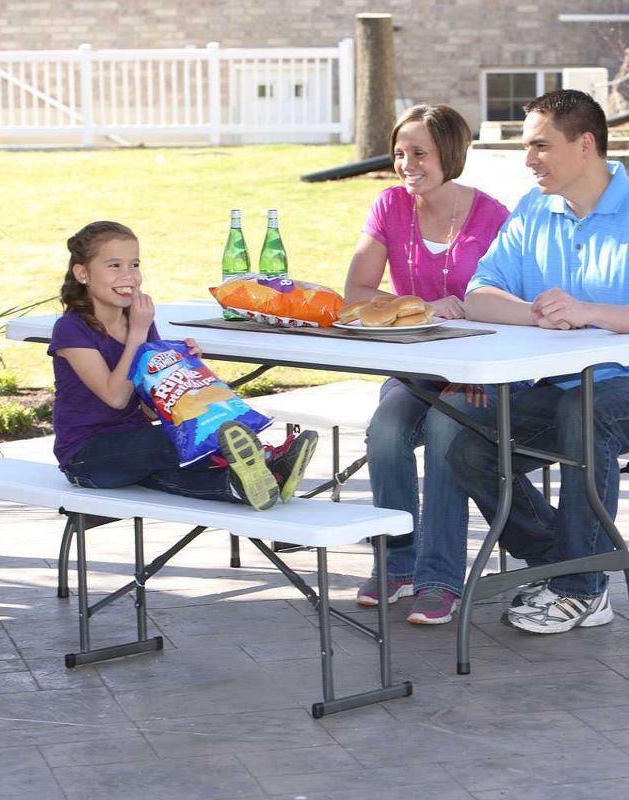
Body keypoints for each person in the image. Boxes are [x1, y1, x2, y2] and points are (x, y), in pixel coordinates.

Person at [447, 88, 629, 634]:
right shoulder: (533, 210)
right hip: (562, 386)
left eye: (541, 146)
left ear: (586, 144)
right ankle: (565, 565)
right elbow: (479, 295)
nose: (528, 161)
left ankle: (580, 586)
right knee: (468, 445)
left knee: (585, 410)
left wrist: (589, 311)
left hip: (616, 390)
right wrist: (537, 314)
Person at [345, 104, 511, 624]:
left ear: (450, 155)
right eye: (399, 153)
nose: (406, 164)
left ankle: (440, 576)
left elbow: (511, 306)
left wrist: (481, 370)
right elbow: (355, 292)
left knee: (445, 433)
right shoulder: (390, 206)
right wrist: (419, 306)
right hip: (414, 366)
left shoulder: (492, 216)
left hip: (477, 371)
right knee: (385, 432)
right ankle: (396, 562)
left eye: (419, 153)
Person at [48, 220, 318, 511]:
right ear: (83, 273)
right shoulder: (71, 329)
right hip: (87, 455)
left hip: (136, 446)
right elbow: (116, 398)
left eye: (134, 264)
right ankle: (268, 458)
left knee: (185, 463)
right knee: (181, 438)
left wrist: (182, 370)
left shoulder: (137, 322)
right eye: (114, 266)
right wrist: (139, 334)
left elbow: (152, 408)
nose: (129, 275)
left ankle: (249, 483)